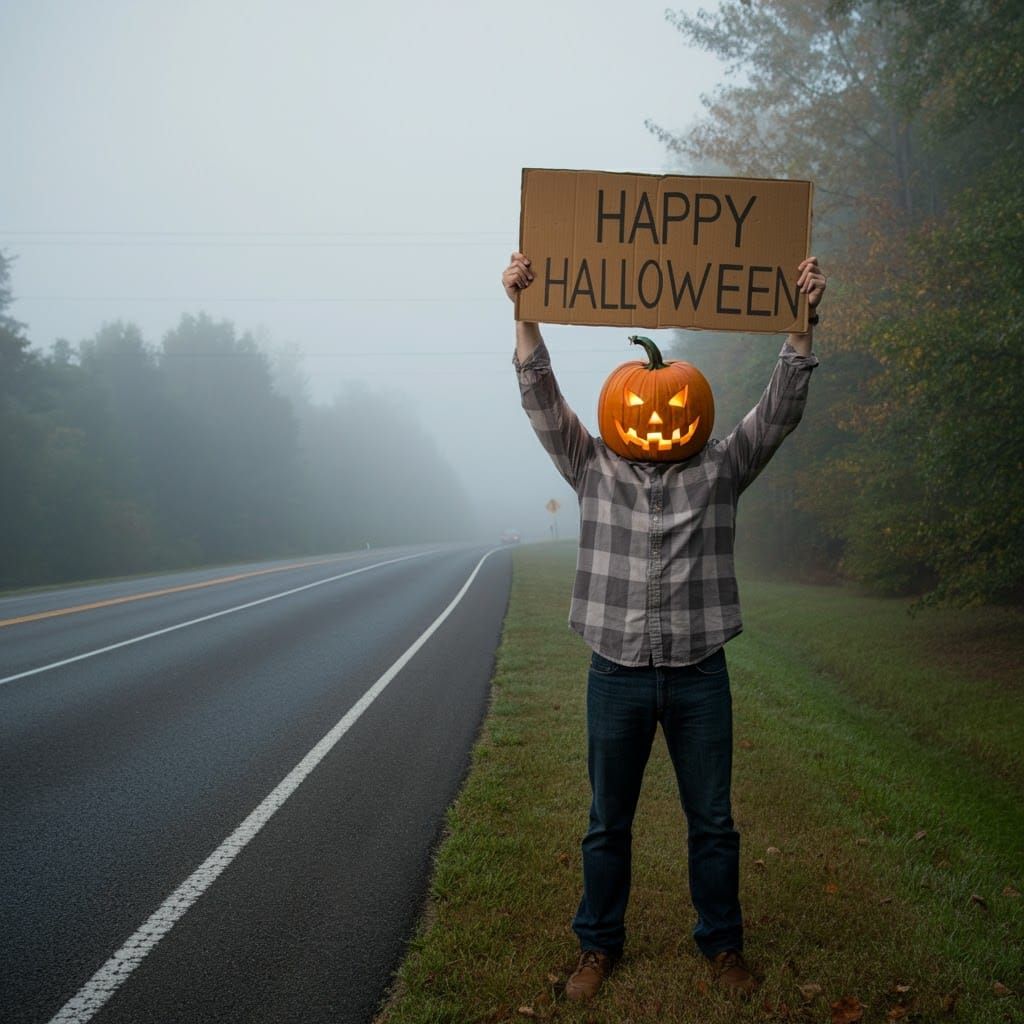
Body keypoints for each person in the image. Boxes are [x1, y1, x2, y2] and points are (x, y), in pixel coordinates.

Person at [502, 250, 826, 1002]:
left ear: (695, 409)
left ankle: (723, 946)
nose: (656, 419)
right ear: (619, 409)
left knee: (712, 821)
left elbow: (779, 411)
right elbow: (541, 396)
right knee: (606, 821)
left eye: (672, 406)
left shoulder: (722, 468)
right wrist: (523, 313)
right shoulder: (590, 466)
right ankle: (597, 946)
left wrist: (802, 324)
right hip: (614, 671)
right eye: (642, 408)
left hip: (698, 673)